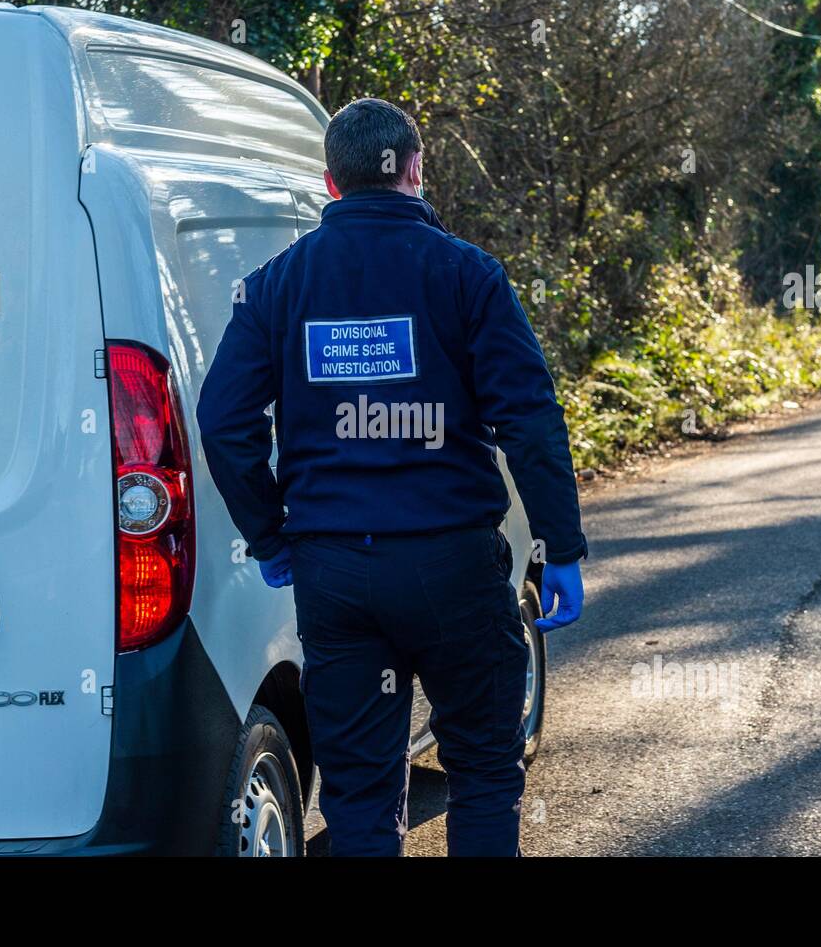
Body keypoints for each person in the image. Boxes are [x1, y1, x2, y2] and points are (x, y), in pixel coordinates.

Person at [197, 97, 586, 856]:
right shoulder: (468, 275)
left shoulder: (274, 287)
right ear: (415, 170)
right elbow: (529, 418)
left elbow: (223, 422)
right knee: (482, 771)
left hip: (336, 574)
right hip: (456, 571)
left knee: (362, 794)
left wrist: (270, 533)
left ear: (329, 184)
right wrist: (560, 546)